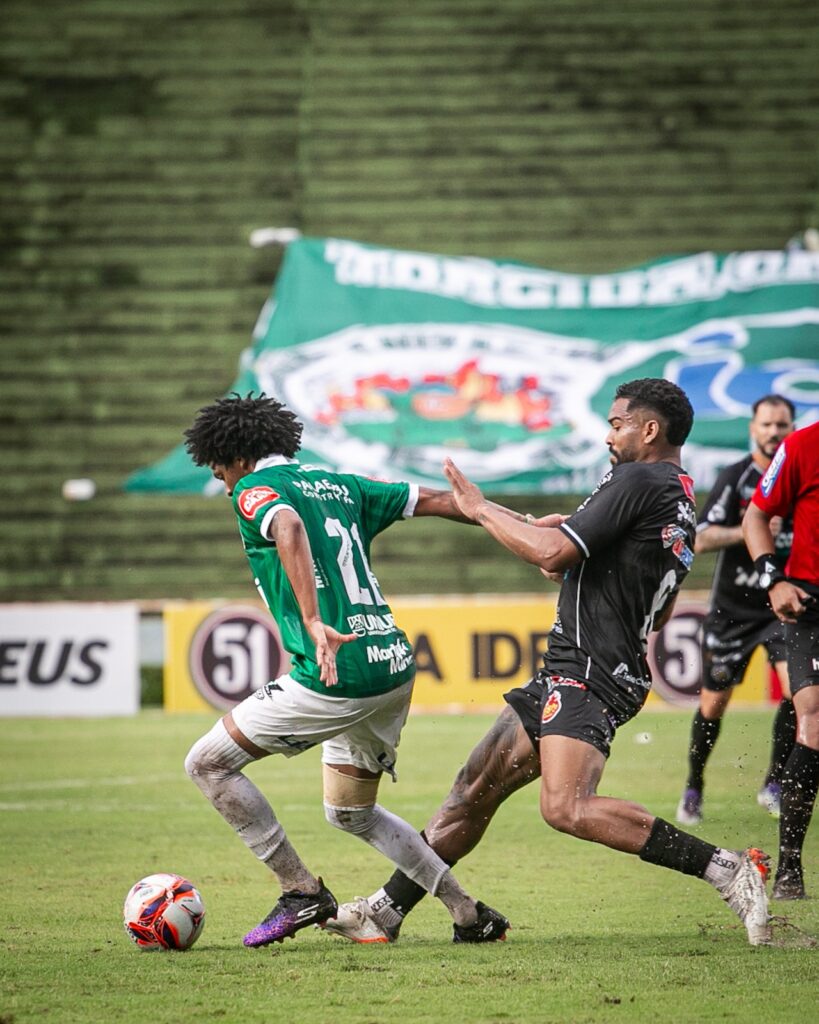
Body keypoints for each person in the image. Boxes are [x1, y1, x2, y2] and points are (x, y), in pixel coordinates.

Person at [324, 378, 772, 946]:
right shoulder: (677, 493)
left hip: (591, 671)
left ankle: (729, 870)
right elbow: (645, 602)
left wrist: (481, 508)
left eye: (617, 424)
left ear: (649, 429)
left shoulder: (639, 478)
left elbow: (550, 551)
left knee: (566, 807)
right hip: (579, 665)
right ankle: (385, 911)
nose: (610, 434)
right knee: (472, 792)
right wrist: (574, 553)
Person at [182, 393, 514, 946]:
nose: (224, 485)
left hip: (337, 674)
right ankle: (468, 914)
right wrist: (518, 522)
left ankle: (301, 892)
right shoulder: (341, 484)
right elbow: (437, 501)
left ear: (235, 458)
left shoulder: (254, 492)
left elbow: (286, 525)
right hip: (392, 666)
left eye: (220, 473)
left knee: (208, 765)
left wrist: (312, 620)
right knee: (350, 812)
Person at [676, 395, 796, 827]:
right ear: (753, 428)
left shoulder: (800, 479)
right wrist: (752, 529)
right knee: (713, 705)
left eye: (782, 424)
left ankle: (774, 783)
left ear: (792, 428)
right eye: (766, 424)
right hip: (732, 612)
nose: (774, 432)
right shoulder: (736, 477)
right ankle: (694, 787)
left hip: (781, 609)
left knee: (800, 695)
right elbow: (701, 539)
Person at [743, 418, 819, 900]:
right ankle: (790, 866)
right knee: (812, 719)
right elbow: (756, 516)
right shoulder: (803, 445)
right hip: (811, 604)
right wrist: (773, 579)